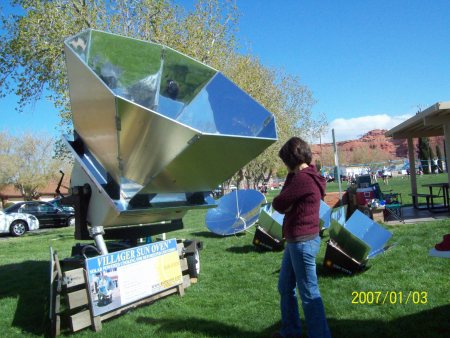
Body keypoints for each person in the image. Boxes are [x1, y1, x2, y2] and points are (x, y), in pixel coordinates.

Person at [271, 137, 331, 338]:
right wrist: (290, 176)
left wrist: (288, 199)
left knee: (309, 294)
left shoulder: (302, 179)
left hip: (302, 243)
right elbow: (284, 202)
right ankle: (290, 332)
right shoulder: (307, 176)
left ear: (289, 159)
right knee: (285, 287)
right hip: (298, 241)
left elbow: (279, 204)